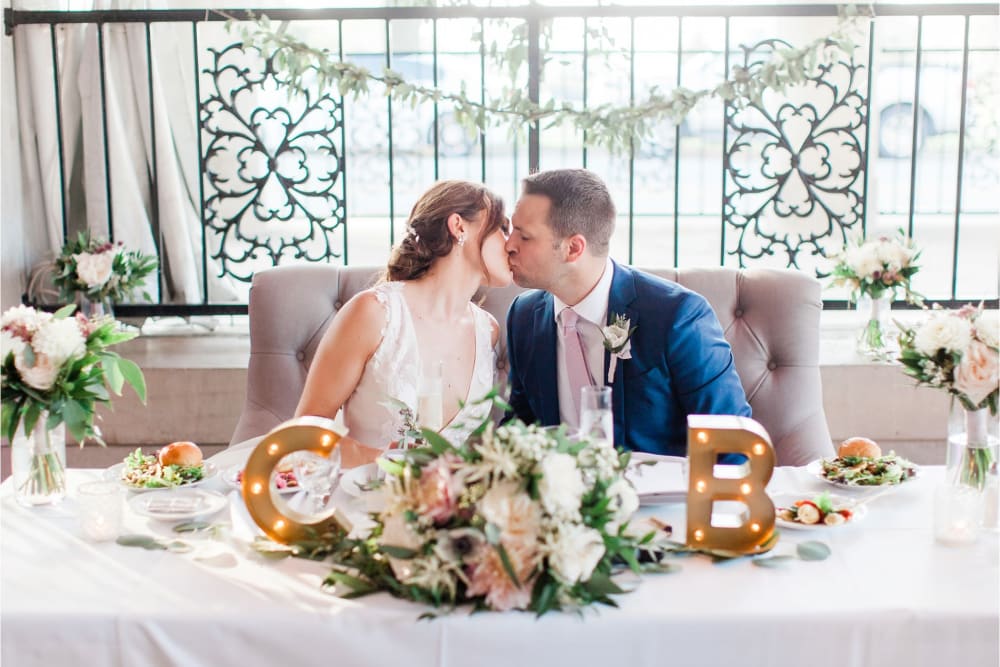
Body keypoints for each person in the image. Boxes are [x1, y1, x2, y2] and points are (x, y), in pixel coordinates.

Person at [504, 168, 751, 457]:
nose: (509, 245)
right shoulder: (523, 316)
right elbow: (519, 429)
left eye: (525, 237)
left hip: (663, 497)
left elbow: (733, 444)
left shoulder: (678, 317)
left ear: (573, 248)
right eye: (511, 231)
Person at [296, 180, 511, 467]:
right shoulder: (374, 313)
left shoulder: (488, 331)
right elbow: (306, 432)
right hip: (362, 499)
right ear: (459, 226)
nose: (512, 244)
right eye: (503, 228)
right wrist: (400, 469)